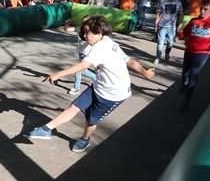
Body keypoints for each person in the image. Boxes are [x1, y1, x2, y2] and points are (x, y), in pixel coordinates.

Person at [26, 15, 156, 152]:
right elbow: (129, 61)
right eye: (84, 31)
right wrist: (145, 73)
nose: (84, 35)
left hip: (114, 95)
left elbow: (83, 66)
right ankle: (46, 129)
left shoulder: (102, 47)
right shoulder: (105, 41)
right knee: (74, 106)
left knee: (90, 120)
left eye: (88, 32)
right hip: (98, 86)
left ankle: (84, 140)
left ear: (99, 33)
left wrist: (58, 74)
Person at [177, 0, 210, 108]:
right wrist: (179, 33)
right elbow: (185, 32)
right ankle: (184, 84)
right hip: (189, 50)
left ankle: (187, 100)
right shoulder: (194, 21)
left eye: (206, 9)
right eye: (201, 9)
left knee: (194, 74)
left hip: (203, 52)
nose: (202, 11)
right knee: (185, 73)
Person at [154, 0, 184, 64]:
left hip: (172, 27)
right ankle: (158, 57)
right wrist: (156, 23)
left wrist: (180, 25)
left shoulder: (178, 3)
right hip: (162, 25)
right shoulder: (163, 2)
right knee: (160, 42)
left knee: (170, 43)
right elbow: (158, 13)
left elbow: (181, 14)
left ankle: (167, 53)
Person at [68, 17, 97, 95]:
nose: (84, 24)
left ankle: (76, 88)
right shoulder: (79, 28)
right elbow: (67, 29)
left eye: (86, 22)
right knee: (81, 70)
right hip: (80, 52)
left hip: (86, 53)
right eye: (83, 22)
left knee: (78, 70)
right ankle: (96, 77)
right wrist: (67, 23)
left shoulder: (92, 32)